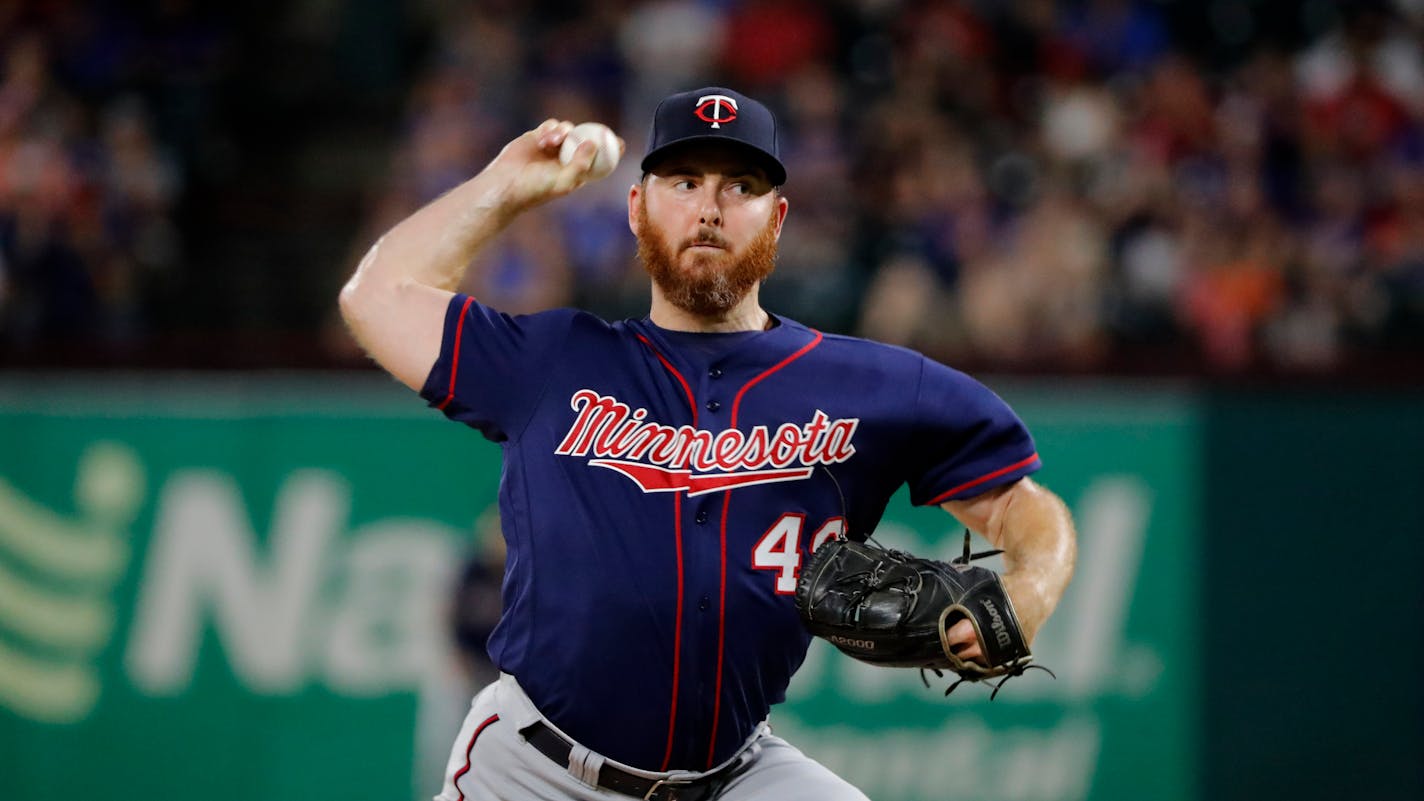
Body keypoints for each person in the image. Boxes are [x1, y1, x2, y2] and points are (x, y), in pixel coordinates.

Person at [339, 86, 1077, 801]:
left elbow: (1020, 501)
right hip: (533, 771)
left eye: (740, 185)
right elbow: (376, 298)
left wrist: (1030, 590)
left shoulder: (872, 386)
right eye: (685, 181)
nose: (710, 208)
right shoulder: (552, 361)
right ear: (637, 206)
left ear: (778, 217)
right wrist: (506, 186)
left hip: (730, 773)